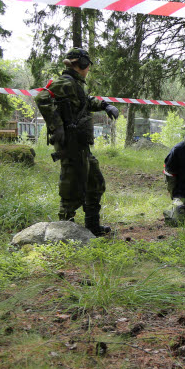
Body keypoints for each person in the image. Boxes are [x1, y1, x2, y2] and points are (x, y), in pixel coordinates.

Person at [35, 48, 119, 236]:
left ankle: (92, 226)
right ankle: (64, 233)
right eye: (87, 65)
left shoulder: (75, 84)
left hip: (81, 144)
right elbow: (41, 97)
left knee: (95, 183)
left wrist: (105, 105)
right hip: (72, 145)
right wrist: (57, 127)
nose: (88, 68)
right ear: (81, 64)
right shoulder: (66, 82)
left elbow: (84, 101)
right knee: (71, 189)